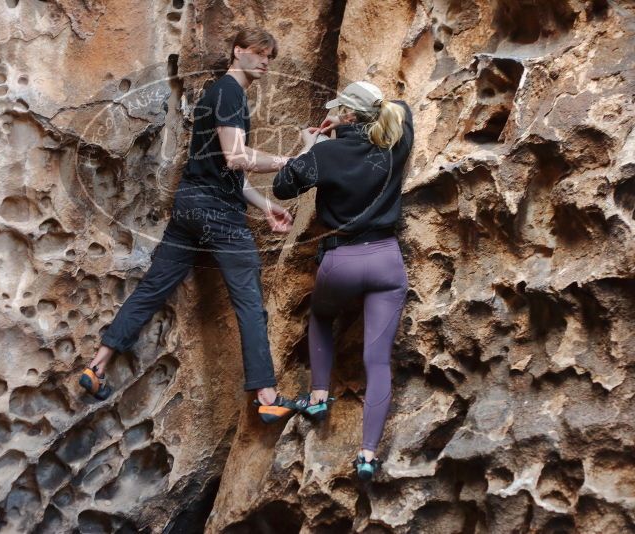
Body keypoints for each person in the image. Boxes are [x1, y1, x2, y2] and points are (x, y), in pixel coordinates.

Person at [80, 28, 300, 423]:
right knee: (250, 302)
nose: (266, 61)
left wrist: (267, 206)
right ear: (238, 52)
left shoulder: (215, 94)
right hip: (217, 213)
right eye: (259, 53)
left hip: (191, 205)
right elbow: (236, 158)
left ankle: (96, 366)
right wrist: (288, 162)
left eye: (271, 56)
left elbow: (228, 171)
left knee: (153, 287)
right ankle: (267, 395)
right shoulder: (231, 92)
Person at [272, 81, 413, 480]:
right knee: (378, 360)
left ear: (349, 114)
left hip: (342, 260)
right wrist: (358, 115)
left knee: (320, 316)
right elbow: (400, 108)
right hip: (387, 260)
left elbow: (283, 187)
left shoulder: (326, 152)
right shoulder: (395, 142)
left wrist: (310, 146)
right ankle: (367, 455)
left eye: (338, 109)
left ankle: (319, 397)